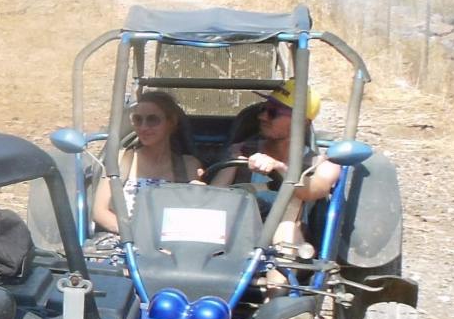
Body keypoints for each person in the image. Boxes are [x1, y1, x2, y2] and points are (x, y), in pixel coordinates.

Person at [209, 79, 340, 247]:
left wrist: (281, 169)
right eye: (263, 109)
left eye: (273, 112)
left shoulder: (321, 164)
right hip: (232, 237)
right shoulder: (240, 151)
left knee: (286, 229)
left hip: (287, 246)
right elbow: (212, 200)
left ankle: (279, 272)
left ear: (301, 121)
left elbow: (314, 189)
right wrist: (233, 163)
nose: (262, 116)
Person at [91, 90, 203, 233]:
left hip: (170, 244)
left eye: (152, 120)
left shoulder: (189, 165)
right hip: (124, 241)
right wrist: (135, 234)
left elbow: (193, 215)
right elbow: (99, 211)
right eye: (138, 120)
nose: (143, 127)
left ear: (171, 122)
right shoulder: (121, 160)